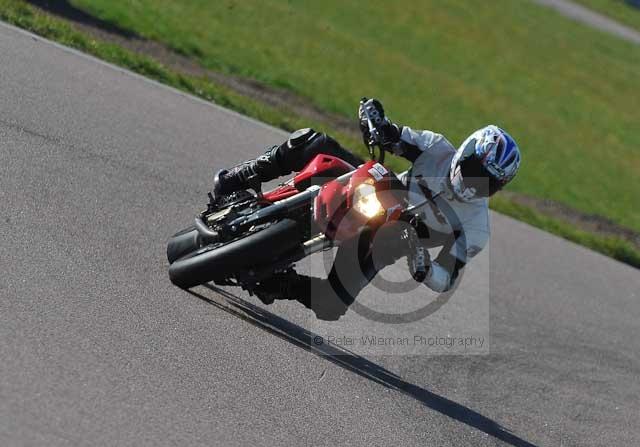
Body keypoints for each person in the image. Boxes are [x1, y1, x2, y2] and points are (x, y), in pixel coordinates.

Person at [212, 99, 521, 320]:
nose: (473, 183)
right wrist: (376, 122)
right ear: (465, 151)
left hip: (387, 240)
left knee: (331, 304)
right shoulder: (437, 148)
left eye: (488, 183)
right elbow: (396, 137)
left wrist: (423, 264)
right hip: (378, 190)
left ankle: (276, 282)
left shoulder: (476, 227)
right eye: (474, 169)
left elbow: (448, 277)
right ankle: (239, 177)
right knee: (313, 142)